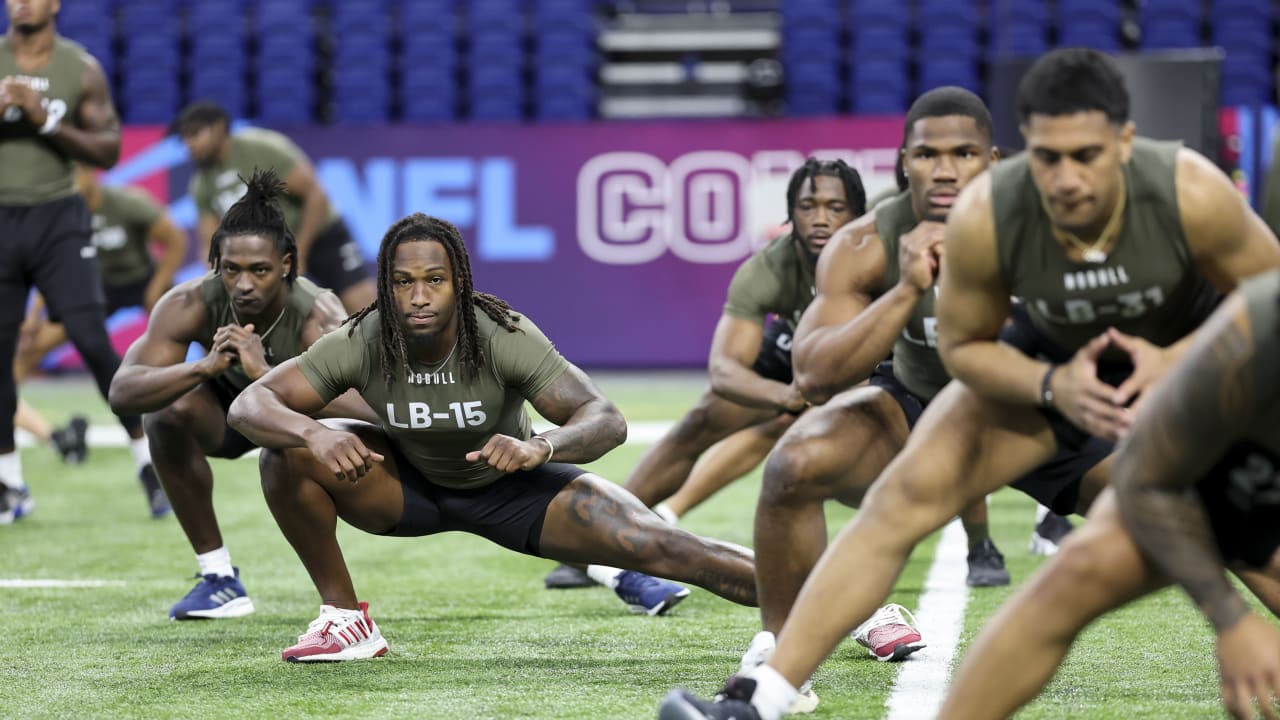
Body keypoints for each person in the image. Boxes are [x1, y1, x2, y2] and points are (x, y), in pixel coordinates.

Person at [658, 47, 1280, 720]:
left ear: (1125, 143)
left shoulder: (1186, 190)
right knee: (901, 499)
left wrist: (1180, 362)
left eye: (1087, 156)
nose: (1065, 179)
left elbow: (1271, 299)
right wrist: (1048, 384)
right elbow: (964, 349)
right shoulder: (988, 215)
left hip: (1173, 374)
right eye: (1048, 157)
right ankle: (763, 698)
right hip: (1041, 372)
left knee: (1221, 538)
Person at [225, 213, 763, 662]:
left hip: (512, 488)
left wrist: (541, 447)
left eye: (433, 279)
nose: (417, 296)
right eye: (402, 281)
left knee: (667, 547)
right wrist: (312, 434)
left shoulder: (502, 333)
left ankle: (840, 605)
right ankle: (345, 620)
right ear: (385, 286)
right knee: (284, 457)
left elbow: (605, 418)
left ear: (458, 279)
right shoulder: (364, 337)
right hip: (408, 485)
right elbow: (249, 405)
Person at [720, 88, 1005, 713]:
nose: (948, 169)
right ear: (904, 161)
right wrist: (906, 288)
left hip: (1031, 403)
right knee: (795, 461)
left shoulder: (1043, 223)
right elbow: (814, 376)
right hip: (918, 398)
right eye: (929, 154)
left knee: (1191, 502)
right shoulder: (866, 241)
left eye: (965, 153)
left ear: (995, 158)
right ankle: (775, 662)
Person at [936, 272, 1280, 719]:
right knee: (1084, 566)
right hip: (1183, 432)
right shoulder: (1253, 322)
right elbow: (1147, 480)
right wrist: (1231, 619)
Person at [542, 160, 865, 591]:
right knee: (700, 421)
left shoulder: (880, 257)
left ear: (858, 215)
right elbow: (725, 369)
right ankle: (598, 545)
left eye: (835, 207)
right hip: (796, 354)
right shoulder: (769, 266)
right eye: (808, 205)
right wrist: (785, 396)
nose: (821, 218)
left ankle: (978, 547)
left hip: (867, 357)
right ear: (790, 214)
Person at [107, 169, 353, 619]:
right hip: (228, 415)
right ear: (214, 265)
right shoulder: (190, 302)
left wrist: (268, 376)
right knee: (163, 412)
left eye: (259, 270)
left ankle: (340, 603)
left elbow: (371, 405)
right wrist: (202, 366)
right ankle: (219, 579)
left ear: (285, 265)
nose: (243, 285)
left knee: (284, 457)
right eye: (231, 270)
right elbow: (122, 393)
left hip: (305, 425)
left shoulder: (320, 314)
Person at [0, 0, 143, 524]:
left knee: (89, 336)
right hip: (1, 216)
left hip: (58, 217)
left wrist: (46, 121)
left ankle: (147, 459)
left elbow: (107, 150)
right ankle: (9, 482)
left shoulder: (79, 67)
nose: (21, 3)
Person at [14, 163, 188, 517]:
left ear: (92, 174)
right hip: (92, 292)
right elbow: (54, 272)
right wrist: (33, 318)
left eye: (74, 174)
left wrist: (156, 289)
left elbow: (175, 240)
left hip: (142, 281)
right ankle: (28, 430)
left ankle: (185, 420)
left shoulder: (127, 203)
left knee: (176, 334)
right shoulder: (60, 214)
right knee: (28, 351)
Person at [173, 100, 377, 313]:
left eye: (195, 134)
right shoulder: (201, 184)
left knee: (362, 307)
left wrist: (300, 251)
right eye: (185, 138)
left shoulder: (261, 150)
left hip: (320, 236)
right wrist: (216, 282)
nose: (189, 144)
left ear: (220, 128)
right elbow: (210, 242)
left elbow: (315, 196)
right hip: (269, 255)